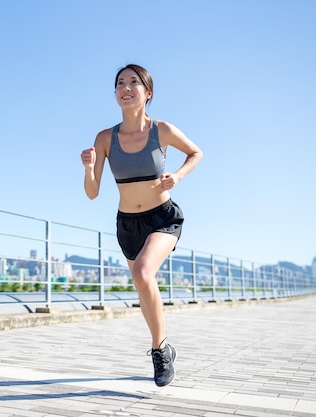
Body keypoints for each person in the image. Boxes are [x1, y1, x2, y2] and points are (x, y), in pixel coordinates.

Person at [80, 64, 203, 387]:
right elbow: (93, 193)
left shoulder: (161, 130)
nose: (126, 87)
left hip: (162, 217)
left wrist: (176, 176)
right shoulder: (105, 138)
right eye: (120, 83)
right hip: (128, 225)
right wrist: (89, 168)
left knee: (142, 273)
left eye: (134, 82)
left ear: (148, 92)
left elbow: (196, 153)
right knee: (143, 285)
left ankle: (158, 352)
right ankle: (164, 344)